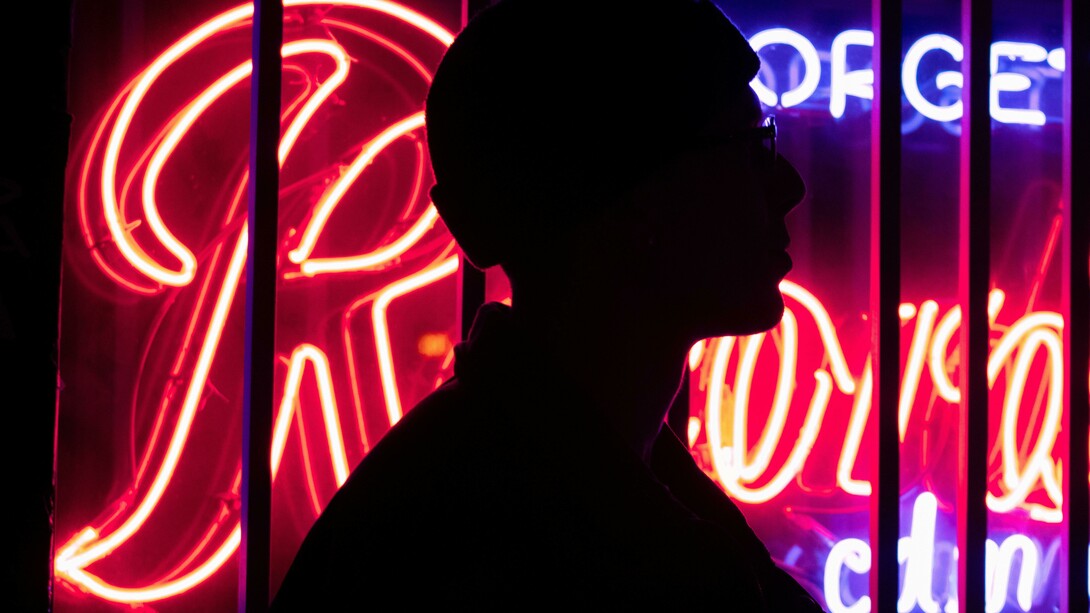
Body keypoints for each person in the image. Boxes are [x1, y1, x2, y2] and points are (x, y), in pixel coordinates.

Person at [271, 0, 821, 608]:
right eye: (751, 148)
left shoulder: (508, 486)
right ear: (638, 203)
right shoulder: (490, 544)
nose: (790, 187)